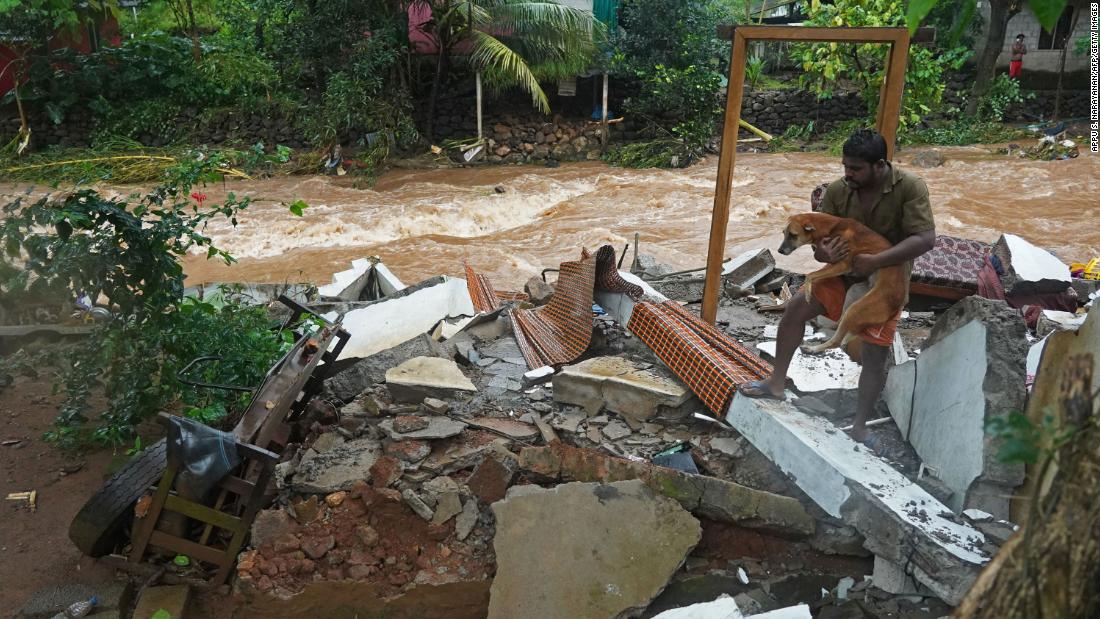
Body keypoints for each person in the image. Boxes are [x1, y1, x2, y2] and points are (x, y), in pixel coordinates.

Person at [739, 129, 936, 445]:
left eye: (856, 168)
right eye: (845, 166)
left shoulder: (909, 188)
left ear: (879, 165)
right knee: (794, 310)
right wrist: (823, 254)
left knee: (873, 352)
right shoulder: (838, 191)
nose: (848, 174)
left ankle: (860, 425)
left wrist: (875, 260)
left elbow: (925, 240)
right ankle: (776, 383)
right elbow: (818, 243)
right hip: (842, 273)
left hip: (886, 278)